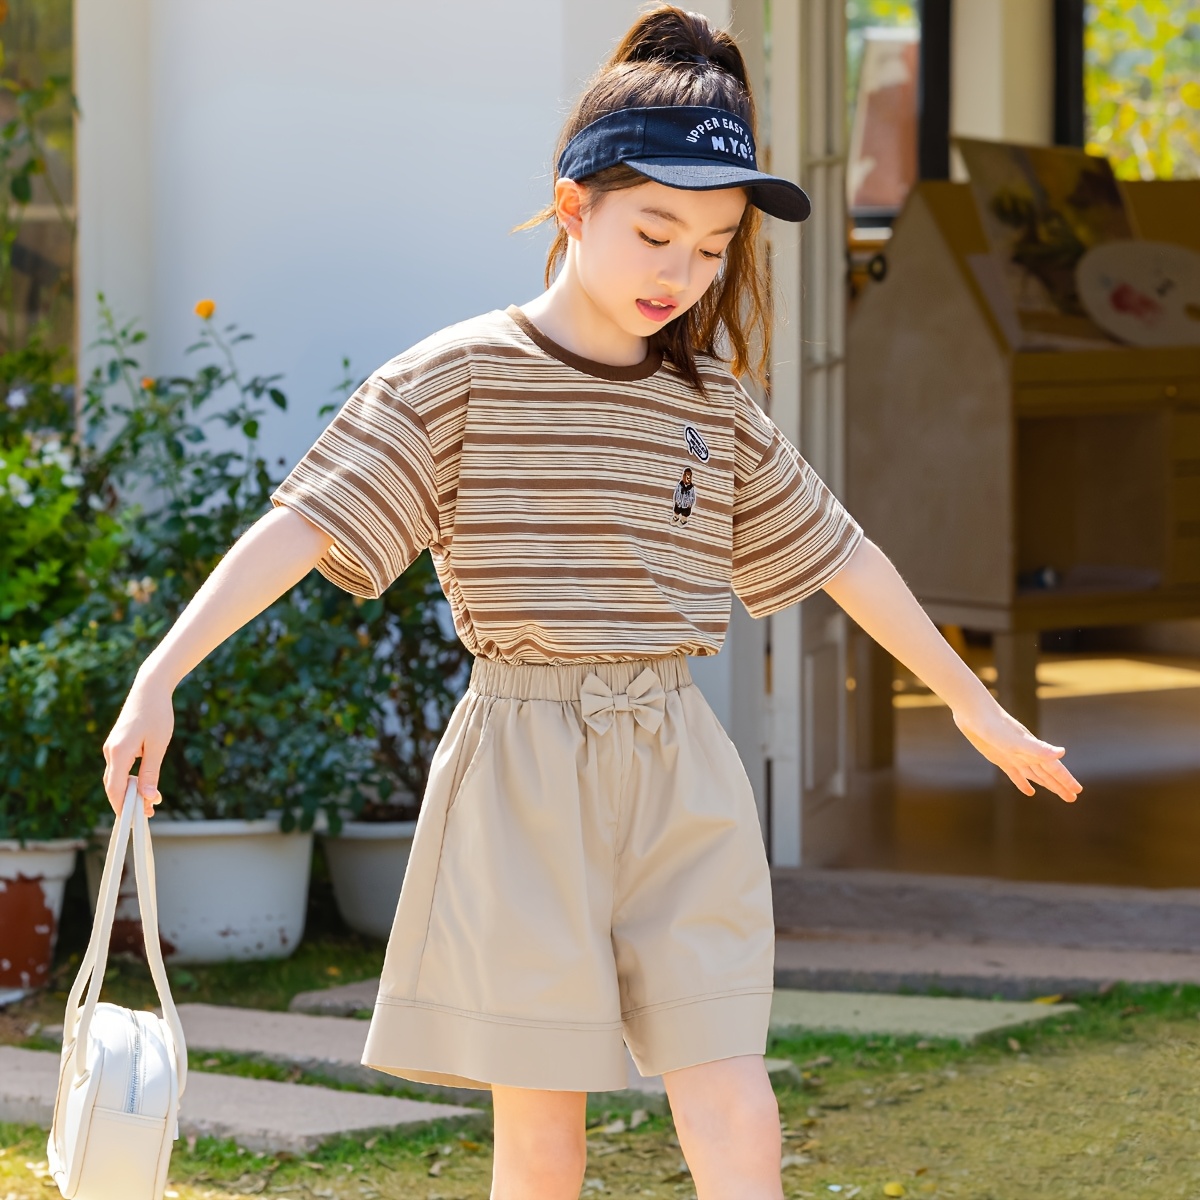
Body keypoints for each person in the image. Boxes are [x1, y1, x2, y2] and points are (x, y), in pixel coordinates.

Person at [101, 8, 1082, 1198]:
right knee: (542, 1136)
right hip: (521, 767)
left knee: (733, 1096)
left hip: (679, 764)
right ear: (574, 207)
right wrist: (160, 676)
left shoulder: (712, 403)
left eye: (713, 249)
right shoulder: (455, 377)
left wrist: (973, 706)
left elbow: (842, 555)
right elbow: (304, 527)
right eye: (655, 233)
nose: (683, 274)